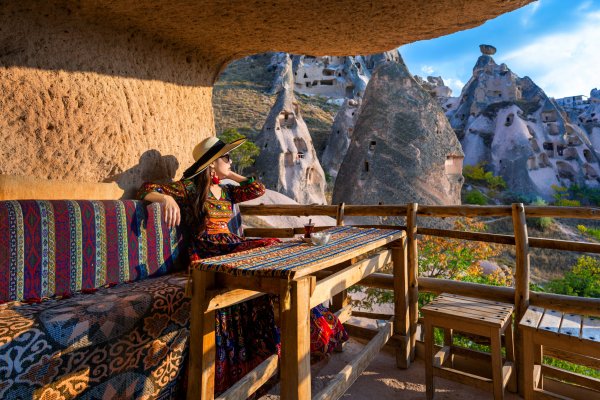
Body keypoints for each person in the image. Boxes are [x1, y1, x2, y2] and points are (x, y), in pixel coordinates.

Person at [137, 136, 348, 395]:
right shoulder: (191, 188)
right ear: (212, 163)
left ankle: (305, 329)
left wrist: (229, 173)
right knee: (268, 245)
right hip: (209, 249)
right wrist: (165, 199)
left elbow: (256, 189)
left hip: (230, 243)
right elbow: (145, 188)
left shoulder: (226, 190)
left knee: (274, 250)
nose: (231, 160)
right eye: (226, 157)